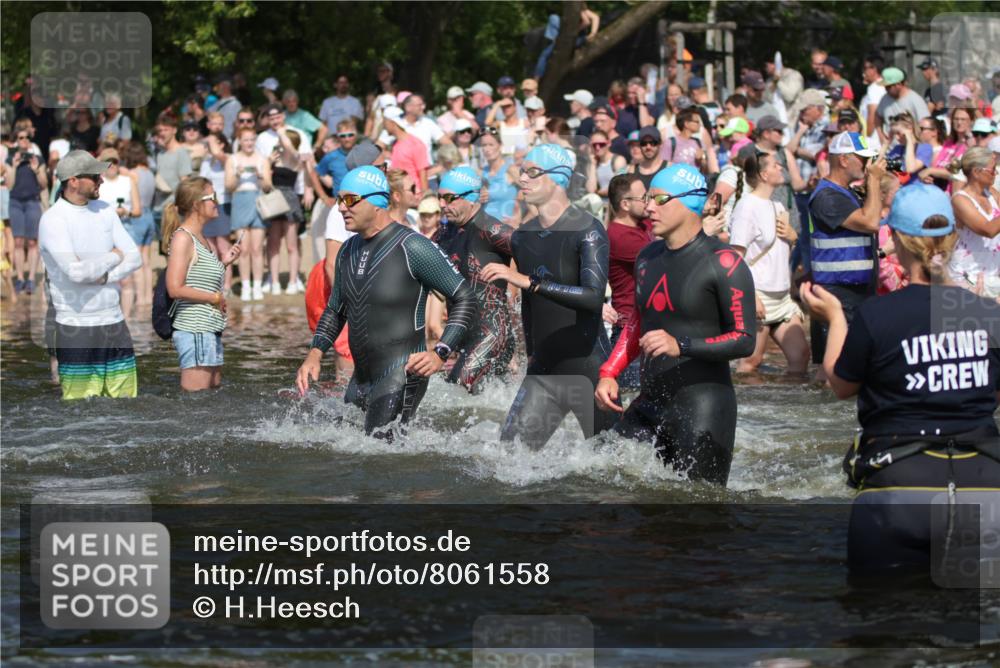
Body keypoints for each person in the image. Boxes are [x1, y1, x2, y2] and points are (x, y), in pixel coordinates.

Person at [799, 182, 1000, 573]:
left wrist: (836, 317)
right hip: (985, 480)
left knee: (881, 620)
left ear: (899, 241)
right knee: (974, 623)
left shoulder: (878, 313)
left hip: (899, 485)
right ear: (952, 238)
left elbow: (840, 384)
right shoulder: (984, 312)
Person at [595, 164, 757, 485]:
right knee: (597, 474)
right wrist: (608, 373)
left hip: (703, 408)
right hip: (651, 402)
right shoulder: (648, 257)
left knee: (695, 514)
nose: (650, 207)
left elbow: (744, 340)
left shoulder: (724, 263)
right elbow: (637, 324)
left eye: (660, 199)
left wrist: (680, 345)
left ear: (692, 203)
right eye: (647, 199)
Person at [296, 166, 477, 438]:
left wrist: (440, 352)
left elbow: (465, 297)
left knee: (379, 460)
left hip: (401, 374)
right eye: (338, 200)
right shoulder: (348, 249)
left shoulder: (412, 246)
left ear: (377, 202)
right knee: (349, 459)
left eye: (349, 200)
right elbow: (336, 309)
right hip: (361, 378)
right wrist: (315, 353)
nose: (341, 208)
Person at [480, 144, 617, 449]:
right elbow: (529, 304)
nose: (522, 180)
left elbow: (594, 298)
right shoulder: (522, 235)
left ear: (557, 178)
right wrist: (531, 352)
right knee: (508, 460)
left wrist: (530, 282)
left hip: (588, 367)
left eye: (532, 172)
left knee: (614, 467)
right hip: (544, 368)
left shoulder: (588, 230)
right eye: (522, 172)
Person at [39, 150, 142, 400]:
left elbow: (135, 257)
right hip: (77, 326)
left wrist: (105, 275)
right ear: (73, 180)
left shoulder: (105, 210)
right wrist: (114, 255)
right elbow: (77, 272)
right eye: (95, 176)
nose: (102, 180)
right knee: (79, 412)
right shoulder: (54, 219)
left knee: (127, 404)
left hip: (114, 322)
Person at [807, 132, 885, 379]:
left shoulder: (847, 193)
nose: (868, 164)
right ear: (843, 159)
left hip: (857, 289)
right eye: (863, 159)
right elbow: (871, 222)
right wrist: (873, 182)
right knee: (833, 369)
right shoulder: (826, 196)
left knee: (852, 363)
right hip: (837, 292)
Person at [433, 167, 516, 392]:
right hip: (463, 335)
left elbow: (539, 256)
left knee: (456, 392)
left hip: (492, 334)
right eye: (439, 197)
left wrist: (514, 276)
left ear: (471, 197)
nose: (442, 205)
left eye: (449, 198)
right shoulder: (443, 234)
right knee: (490, 401)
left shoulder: (491, 229)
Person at [729, 151, 808, 374]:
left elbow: (782, 252)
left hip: (782, 296)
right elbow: (735, 258)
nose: (780, 168)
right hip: (758, 294)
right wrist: (750, 296)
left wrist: (793, 238)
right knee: (751, 362)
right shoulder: (746, 207)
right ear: (764, 174)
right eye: (775, 165)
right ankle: (748, 407)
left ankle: (787, 406)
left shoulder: (778, 207)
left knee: (801, 357)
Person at [162, 176, 240, 391]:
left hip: (209, 328)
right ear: (197, 204)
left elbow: (198, 279)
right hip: (194, 329)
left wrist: (224, 263)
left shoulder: (201, 238)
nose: (217, 201)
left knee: (211, 397)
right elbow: (175, 288)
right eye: (212, 197)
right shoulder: (183, 238)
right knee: (195, 404)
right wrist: (214, 298)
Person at [604, 173, 653, 388]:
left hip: (648, 329)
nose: (649, 202)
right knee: (633, 405)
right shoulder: (618, 236)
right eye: (643, 198)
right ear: (625, 204)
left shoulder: (642, 225)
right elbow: (666, 259)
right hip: (630, 333)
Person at [225, 126, 272, 301]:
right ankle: (246, 285)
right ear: (240, 141)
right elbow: (228, 186)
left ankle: (257, 285)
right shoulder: (232, 159)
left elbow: (268, 186)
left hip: (258, 201)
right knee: (243, 248)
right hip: (240, 201)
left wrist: (261, 176)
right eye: (246, 140)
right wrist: (237, 175)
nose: (249, 143)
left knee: (257, 248)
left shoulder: (262, 160)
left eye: (252, 139)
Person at [948, 147, 1000, 298]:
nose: (995, 173)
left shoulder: (993, 194)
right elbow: (988, 230)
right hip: (967, 276)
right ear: (977, 172)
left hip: (992, 274)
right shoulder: (960, 200)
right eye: (992, 170)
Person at [95, 148, 142, 313]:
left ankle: (127, 318)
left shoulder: (128, 181)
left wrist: (125, 212)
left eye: (114, 162)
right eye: (108, 162)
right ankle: (108, 313)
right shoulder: (98, 182)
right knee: (104, 275)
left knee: (126, 278)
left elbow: (138, 210)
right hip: (103, 232)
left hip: (125, 228)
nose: (112, 166)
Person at [6, 128, 47, 294]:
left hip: (32, 201)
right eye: (20, 137)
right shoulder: (10, 159)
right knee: (17, 241)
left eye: (26, 137)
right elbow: (9, 185)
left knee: (32, 242)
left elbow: (43, 184)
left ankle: (30, 278)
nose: (24, 140)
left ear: (30, 140)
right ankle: (20, 279)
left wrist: (36, 170)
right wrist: (14, 167)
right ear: (16, 140)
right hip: (16, 202)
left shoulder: (37, 159)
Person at [198, 131, 235, 292]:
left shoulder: (228, 159)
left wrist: (211, 140)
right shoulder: (206, 161)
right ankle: (213, 284)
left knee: (223, 247)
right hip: (206, 205)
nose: (209, 146)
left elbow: (218, 154)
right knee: (210, 249)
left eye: (213, 143)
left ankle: (227, 285)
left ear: (221, 144)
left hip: (223, 204)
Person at [122, 141, 156, 306]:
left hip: (137, 216)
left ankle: (140, 300)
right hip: (149, 215)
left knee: (136, 261)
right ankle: (148, 297)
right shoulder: (149, 172)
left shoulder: (131, 174)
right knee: (146, 261)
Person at [875, 68, 930, 143]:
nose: (885, 89)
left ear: (899, 84)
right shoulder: (885, 98)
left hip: (910, 150)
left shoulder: (915, 100)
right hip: (891, 151)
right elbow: (877, 115)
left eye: (888, 87)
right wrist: (881, 135)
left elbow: (925, 124)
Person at [383, 107, 429, 192]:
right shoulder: (395, 144)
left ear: (392, 122)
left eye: (385, 121)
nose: (384, 125)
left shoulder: (415, 144)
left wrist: (425, 199)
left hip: (414, 197)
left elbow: (423, 175)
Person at [479, 128, 519, 224]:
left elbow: (534, 195)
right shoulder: (481, 172)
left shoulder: (511, 170)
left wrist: (519, 220)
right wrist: (478, 197)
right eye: (484, 145)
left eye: (491, 145)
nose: (487, 149)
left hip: (505, 231)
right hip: (483, 229)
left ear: (500, 145)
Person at [884, 112, 933, 186]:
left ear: (910, 129)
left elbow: (910, 169)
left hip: (914, 190)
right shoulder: (898, 148)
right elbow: (879, 167)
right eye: (894, 134)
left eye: (898, 133)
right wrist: (886, 143)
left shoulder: (925, 148)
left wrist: (909, 139)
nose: (896, 138)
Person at [590, 130, 627, 205]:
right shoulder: (594, 163)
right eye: (594, 145)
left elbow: (618, 187)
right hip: (599, 206)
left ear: (609, 143)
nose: (597, 148)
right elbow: (591, 189)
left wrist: (598, 192)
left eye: (601, 144)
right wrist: (592, 165)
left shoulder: (619, 160)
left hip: (615, 206)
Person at [208, 75, 241, 140]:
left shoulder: (235, 104)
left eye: (217, 86)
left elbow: (236, 124)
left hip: (227, 140)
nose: (215, 88)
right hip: (216, 138)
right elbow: (207, 114)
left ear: (225, 87)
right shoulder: (218, 103)